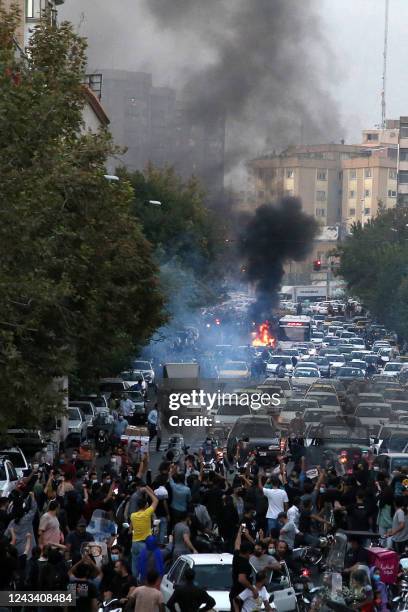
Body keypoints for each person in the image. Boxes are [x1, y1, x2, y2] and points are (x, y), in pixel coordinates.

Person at [130, 486, 158, 578]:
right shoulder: (147, 513)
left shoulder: (133, 515)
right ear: (146, 505)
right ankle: (143, 582)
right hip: (144, 544)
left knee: (134, 564)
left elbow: (131, 528)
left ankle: (135, 581)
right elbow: (156, 500)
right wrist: (147, 490)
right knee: (145, 565)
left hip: (134, 543)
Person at [230, 526, 257, 611]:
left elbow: (237, 544)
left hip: (234, 592)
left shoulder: (237, 555)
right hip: (240, 595)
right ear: (248, 552)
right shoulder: (244, 563)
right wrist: (253, 589)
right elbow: (241, 579)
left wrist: (239, 533)